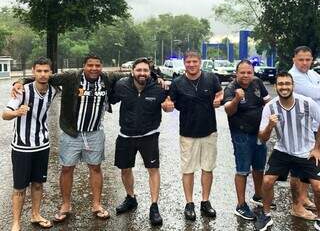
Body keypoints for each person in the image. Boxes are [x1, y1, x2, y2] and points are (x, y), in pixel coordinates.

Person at [13, 53, 124, 221]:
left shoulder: (106, 77)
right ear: (84, 66)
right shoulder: (70, 77)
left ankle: (96, 204)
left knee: (95, 167)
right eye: (90, 65)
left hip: (94, 132)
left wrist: (155, 77)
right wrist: (19, 82)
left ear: (101, 67)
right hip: (71, 132)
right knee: (66, 169)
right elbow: (45, 78)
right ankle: (66, 205)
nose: (94, 68)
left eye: (97, 65)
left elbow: (133, 75)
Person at [110, 57, 174, 226]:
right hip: (126, 135)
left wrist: (168, 106)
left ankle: (154, 206)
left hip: (149, 135)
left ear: (150, 72)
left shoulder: (159, 88)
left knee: (153, 169)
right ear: (132, 72)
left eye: (145, 70)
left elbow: (169, 102)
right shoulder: (122, 85)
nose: (142, 73)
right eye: (139, 70)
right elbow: (109, 95)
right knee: (125, 169)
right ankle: (131, 198)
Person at [254, 72, 320, 231]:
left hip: (306, 151)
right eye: (281, 84)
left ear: (293, 86)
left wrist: (317, 149)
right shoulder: (270, 107)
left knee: (318, 187)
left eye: (287, 84)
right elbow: (262, 138)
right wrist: (270, 126)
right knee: (267, 181)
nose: (284, 87)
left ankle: (319, 217)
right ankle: (266, 214)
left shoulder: (307, 103)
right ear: (276, 86)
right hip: (283, 150)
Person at [2, 57, 57, 231]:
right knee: (19, 187)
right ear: (33, 71)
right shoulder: (22, 91)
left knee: (38, 184)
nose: (42, 74)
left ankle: (35, 215)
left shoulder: (54, 90)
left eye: (46, 71)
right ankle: (16, 223)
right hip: (22, 147)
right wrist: (17, 112)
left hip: (42, 144)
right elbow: (5, 114)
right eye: (39, 71)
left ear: (51, 72)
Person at [169, 50, 223, 221]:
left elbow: (220, 93)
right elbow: (171, 101)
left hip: (209, 131)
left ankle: (205, 201)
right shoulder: (177, 83)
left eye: (195, 61)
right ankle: (189, 203)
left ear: (200, 62)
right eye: (188, 62)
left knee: (208, 168)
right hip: (187, 132)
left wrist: (219, 99)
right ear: (184, 64)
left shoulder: (211, 78)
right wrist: (167, 104)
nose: (191, 65)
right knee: (188, 169)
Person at [223, 60, 271, 220]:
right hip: (241, 134)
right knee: (243, 169)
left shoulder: (257, 83)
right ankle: (241, 205)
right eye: (242, 72)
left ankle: (258, 196)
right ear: (236, 73)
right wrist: (237, 99)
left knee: (259, 167)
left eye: (249, 72)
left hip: (258, 132)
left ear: (253, 72)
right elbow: (228, 111)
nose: (246, 75)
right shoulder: (230, 88)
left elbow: (267, 101)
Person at [288, 45, 320, 219]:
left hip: (315, 127)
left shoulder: (313, 74)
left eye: (308, 59)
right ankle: (297, 206)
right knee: (298, 166)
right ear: (294, 59)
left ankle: (304, 197)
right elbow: (314, 92)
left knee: (310, 163)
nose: (305, 63)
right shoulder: (293, 77)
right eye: (301, 59)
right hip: (301, 128)